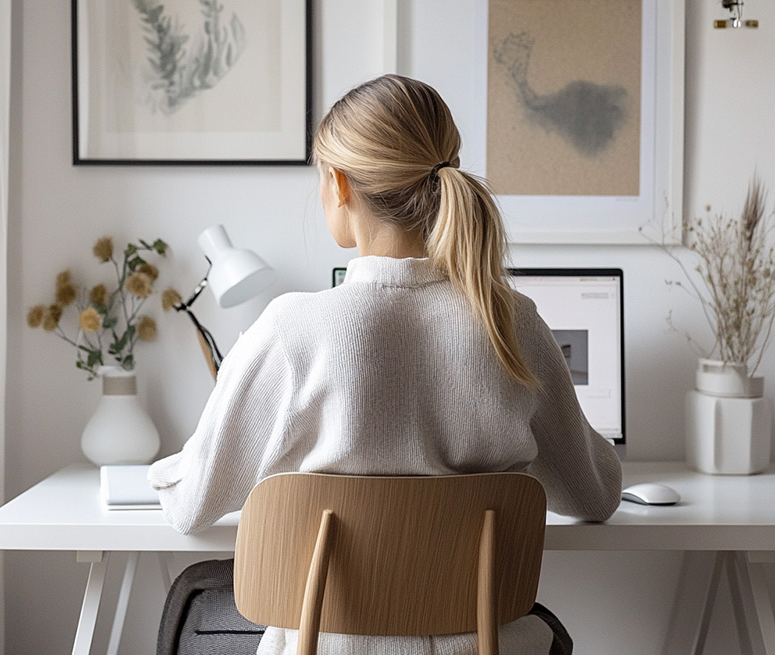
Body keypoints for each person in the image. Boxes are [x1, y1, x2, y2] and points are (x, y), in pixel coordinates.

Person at [148, 74, 622, 655]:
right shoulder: (513, 323)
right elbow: (594, 496)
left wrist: (167, 470)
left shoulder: (292, 329)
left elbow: (192, 504)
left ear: (339, 184)